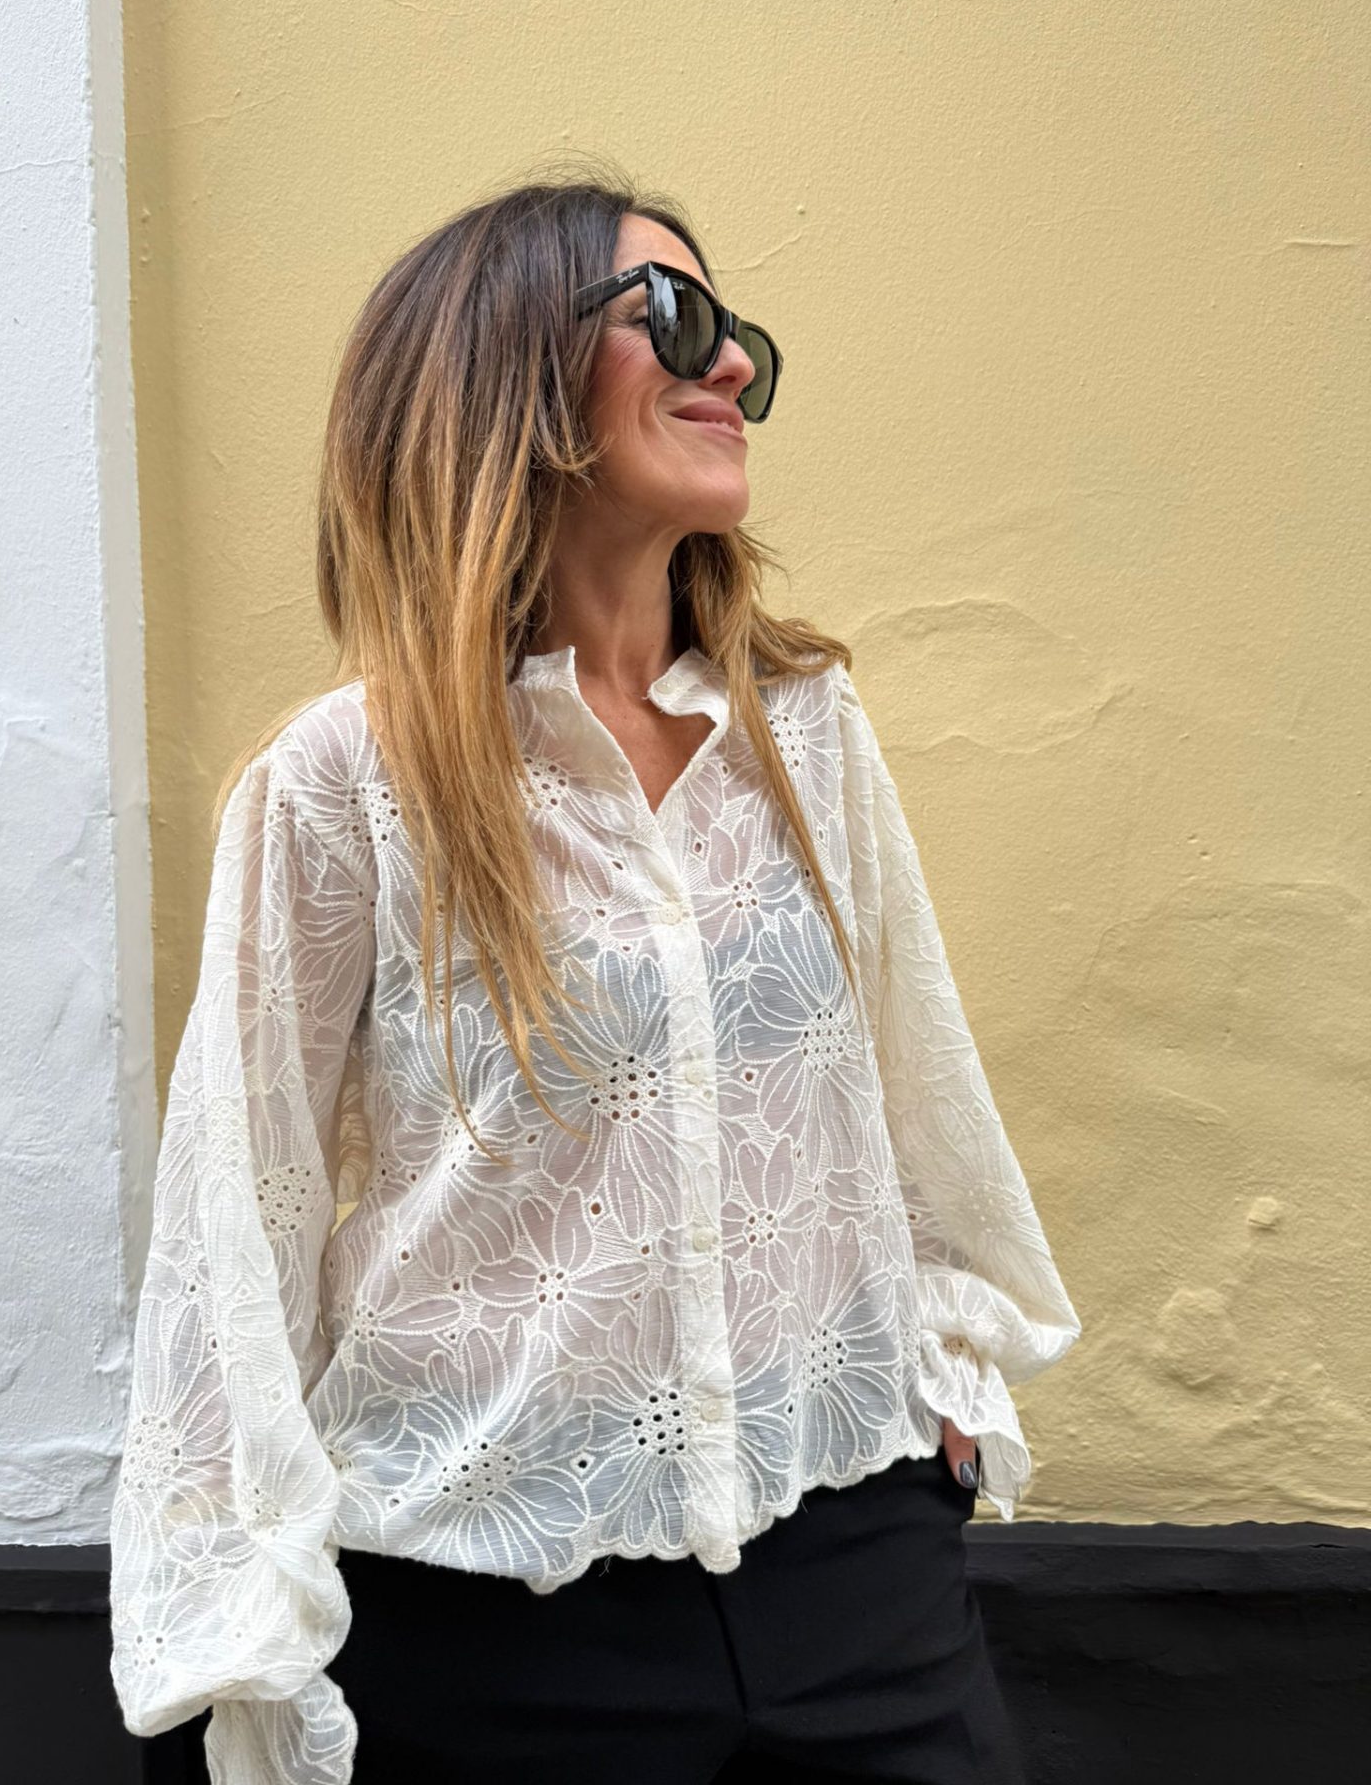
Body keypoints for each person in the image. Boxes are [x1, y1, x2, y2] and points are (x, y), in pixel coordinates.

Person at [108, 164, 1081, 1785]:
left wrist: (946, 1370)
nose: (731, 365)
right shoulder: (345, 785)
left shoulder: (802, 733)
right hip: (489, 1616)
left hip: (850, 1561)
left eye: (739, 334)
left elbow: (909, 1083)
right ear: (502, 375)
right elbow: (237, 1225)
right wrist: (235, 1636)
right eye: (674, 317)